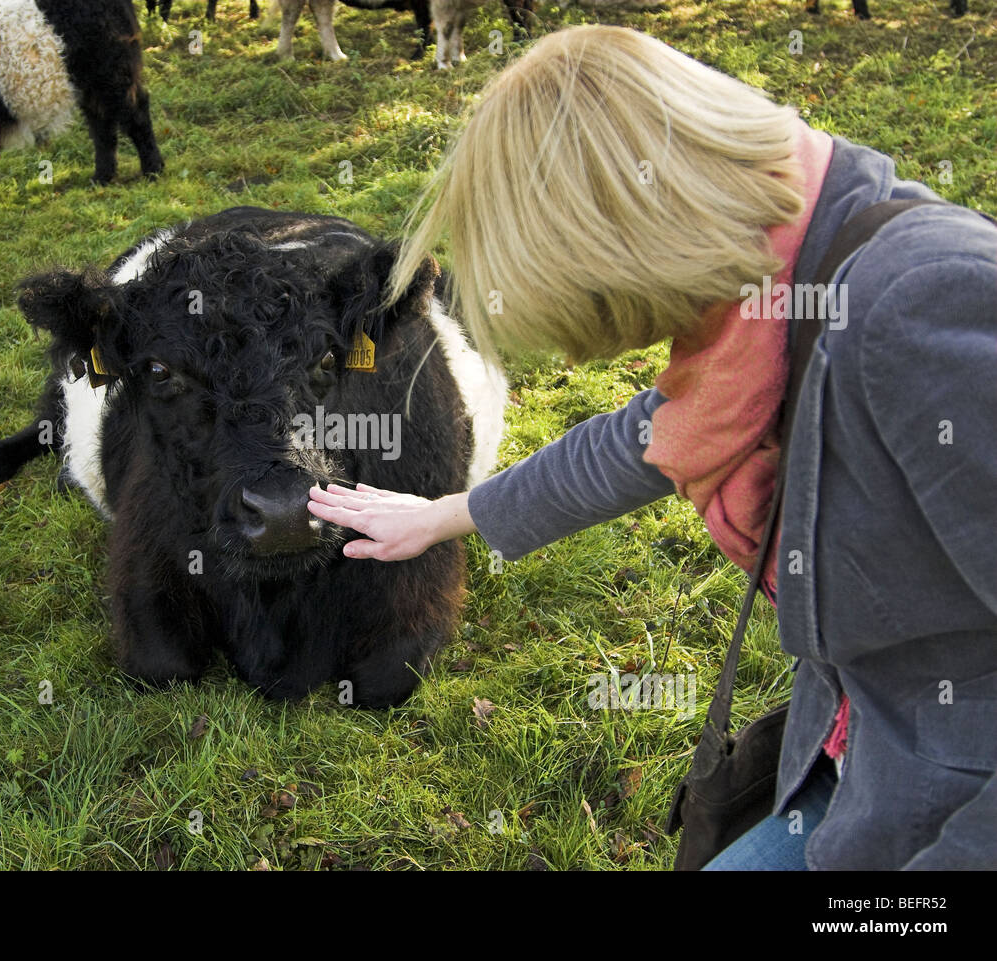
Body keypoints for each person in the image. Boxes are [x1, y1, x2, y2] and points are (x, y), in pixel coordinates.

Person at [306, 25, 997, 870]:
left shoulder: (917, 309)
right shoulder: (774, 286)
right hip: (858, 761)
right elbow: (643, 437)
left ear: (619, 236)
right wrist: (444, 514)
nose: (570, 357)